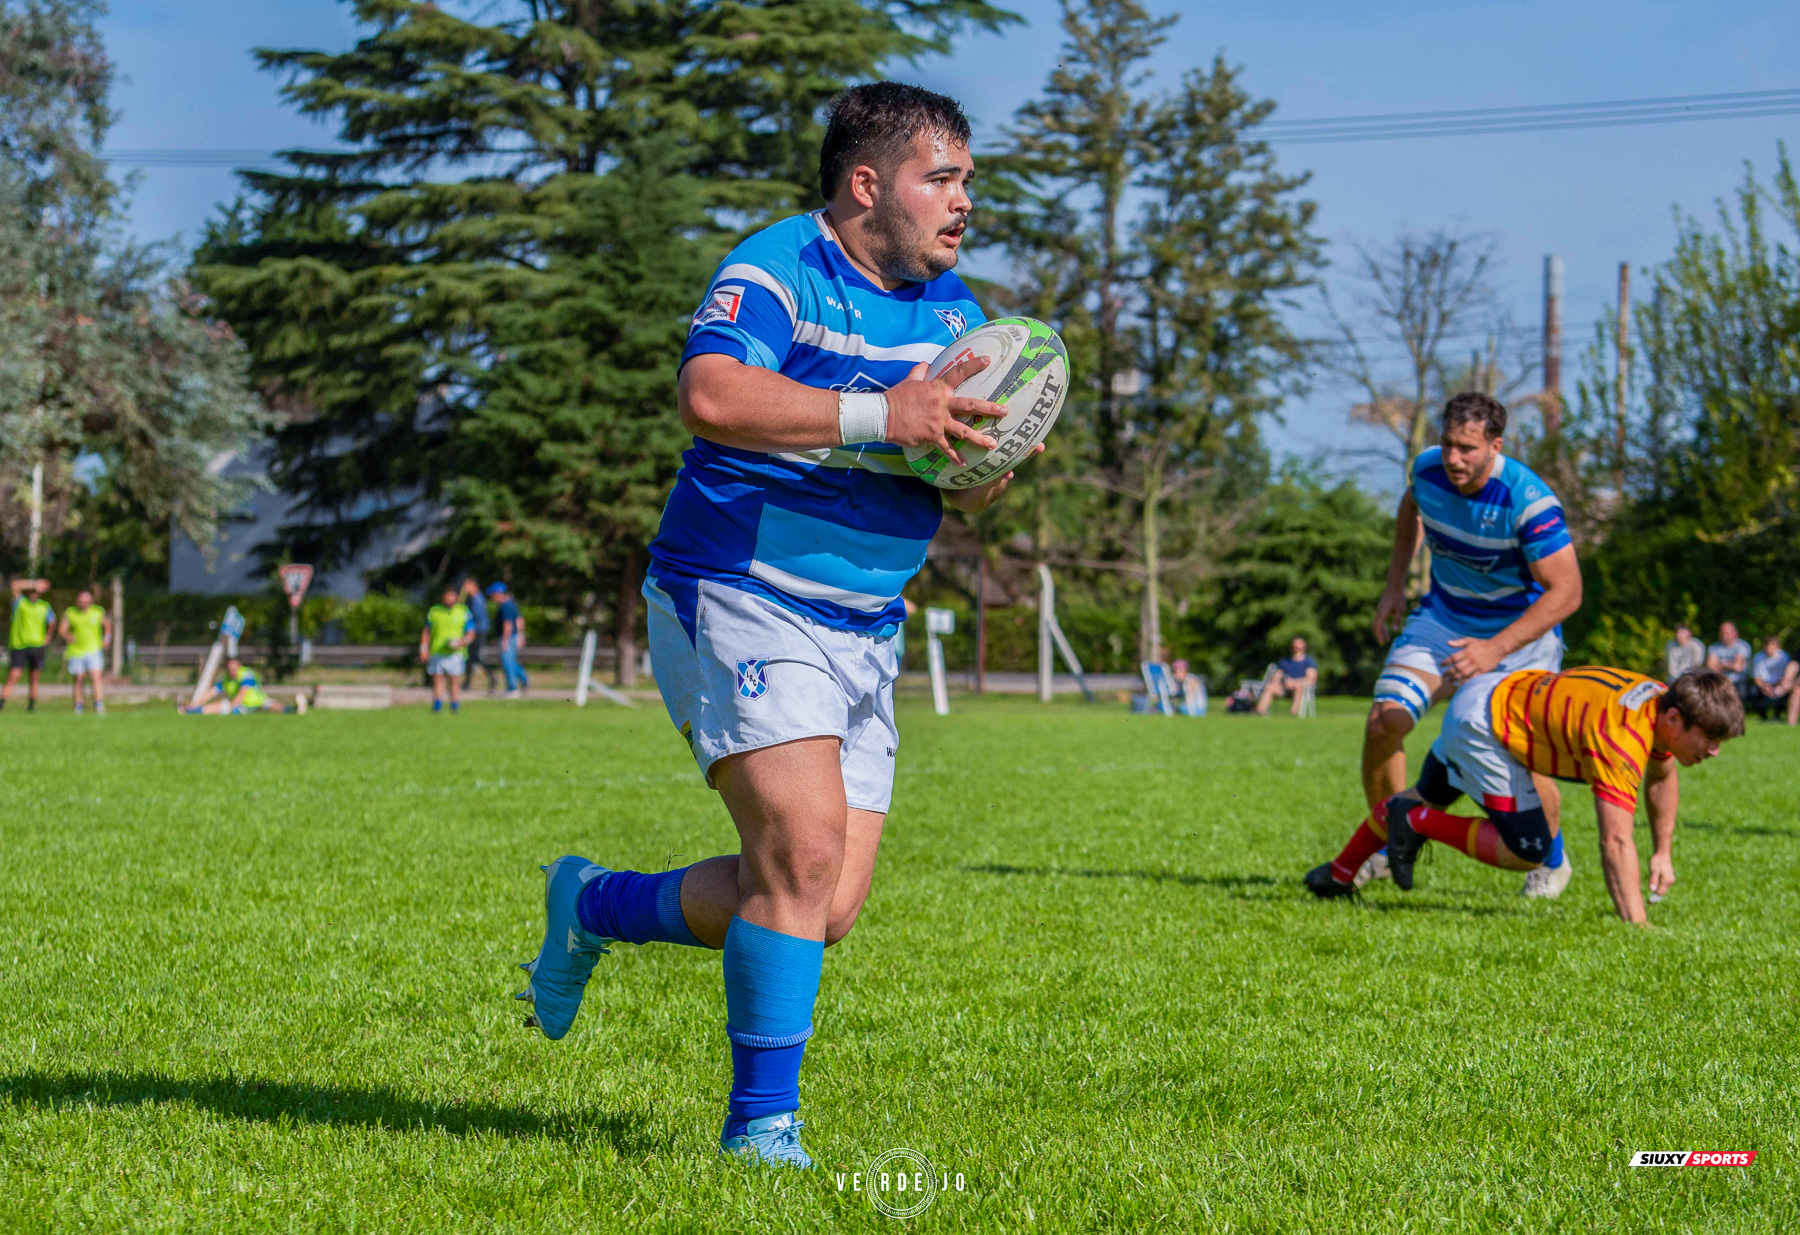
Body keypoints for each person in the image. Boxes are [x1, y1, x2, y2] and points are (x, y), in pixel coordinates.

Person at [514, 83, 1032, 1169]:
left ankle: (594, 902)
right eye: (943, 178)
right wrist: (881, 413)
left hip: (865, 626)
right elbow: (709, 394)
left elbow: (960, 479)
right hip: (740, 590)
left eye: (968, 181)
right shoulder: (778, 266)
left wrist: (985, 455)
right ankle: (761, 1131)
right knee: (799, 855)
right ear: (866, 185)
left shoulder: (957, 316)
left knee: (823, 900)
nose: (963, 201)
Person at [1308, 392, 1582, 898]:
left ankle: (1552, 859)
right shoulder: (1427, 470)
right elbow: (1411, 506)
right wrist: (1394, 585)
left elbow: (1568, 591)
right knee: (1383, 723)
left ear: (1495, 446)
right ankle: (1395, 844)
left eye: (1467, 449)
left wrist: (1495, 649)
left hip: (1520, 638)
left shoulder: (1527, 500)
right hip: (1445, 616)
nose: (1453, 458)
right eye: (1447, 444)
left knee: (1518, 752)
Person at [1311, 668, 1742, 924]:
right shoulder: (1623, 737)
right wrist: (1637, 924)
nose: (1714, 751)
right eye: (1709, 738)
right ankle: (1415, 823)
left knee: (1426, 793)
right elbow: (1615, 840)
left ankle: (1337, 874)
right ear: (1673, 718)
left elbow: (1662, 772)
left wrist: (1662, 852)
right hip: (1489, 729)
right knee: (1529, 850)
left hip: (1493, 697)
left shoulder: (1654, 696)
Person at [3, 578, 55, 712]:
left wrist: (48, 636)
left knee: (34, 677)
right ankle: (2, 704)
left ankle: (31, 707)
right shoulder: (20, 603)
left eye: (36, 592)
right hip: (19, 645)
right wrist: (34, 583)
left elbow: (52, 622)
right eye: (31, 591)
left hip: (37, 646)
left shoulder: (44, 606)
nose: (33, 593)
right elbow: (14, 584)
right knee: (14, 676)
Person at [58, 588, 112, 715]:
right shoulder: (70, 612)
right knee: (79, 678)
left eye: (86, 600)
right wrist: (67, 636)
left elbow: (108, 626)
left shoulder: (98, 611)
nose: (83, 603)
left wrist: (107, 638)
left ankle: (99, 705)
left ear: (91, 600)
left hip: (94, 649)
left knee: (96, 677)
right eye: (81, 601)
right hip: (76, 651)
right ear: (77, 600)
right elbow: (62, 629)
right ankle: (78, 706)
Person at [420, 586, 472, 713]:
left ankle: (454, 705)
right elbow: (427, 631)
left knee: (454, 680)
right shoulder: (434, 611)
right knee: (437, 679)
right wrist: (423, 648)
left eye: (451, 595)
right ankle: (437, 705)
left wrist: (463, 642)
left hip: (456, 653)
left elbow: (471, 632)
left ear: (456, 597)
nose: (449, 598)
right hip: (437, 651)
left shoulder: (463, 611)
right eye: (446, 596)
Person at [1253, 637, 1318, 716]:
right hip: (1285, 688)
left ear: (1304, 647)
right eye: (1295, 645)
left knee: (1299, 686)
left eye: (1299, 646)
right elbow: (1277, 676)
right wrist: (1282, 682)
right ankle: (1260, 711)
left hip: (1301, 688)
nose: (1296, 648)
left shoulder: (1308, 661)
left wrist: (1294, 682)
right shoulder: (1285, 662)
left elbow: (1311, 678)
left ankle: (1293, 712)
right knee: (1271, 686)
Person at [1747, 633, 1799, 724]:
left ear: (1778, 646)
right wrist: (1764, 686)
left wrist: (1779, 686)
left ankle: (1777, 715)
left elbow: (1785, 676)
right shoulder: (1758, 657)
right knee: (1752, 691)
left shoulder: (1784, 657)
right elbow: (1756, 678)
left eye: (1772, 645)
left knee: (1787, 692)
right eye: (1767, 645)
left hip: (1779, 684)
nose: (1769, 648)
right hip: (1764, 684)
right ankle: (1763, 716)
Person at [489, 582, 529, 696]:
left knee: (507, 663)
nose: (492, 597)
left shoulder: (504, 606)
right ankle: (524, 679)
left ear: (498, 594)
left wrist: (504, 640)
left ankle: (512, 688)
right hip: (514, 636)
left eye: (492, 594)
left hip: (508, 637)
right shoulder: (511, 603)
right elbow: (520, 620)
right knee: (511, 661)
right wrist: (520, 635)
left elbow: (508, 624)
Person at [460, 577, 497, 693]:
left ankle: (491, 678)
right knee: (470, 657)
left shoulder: (477, 599)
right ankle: (467, 683)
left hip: (477, 631)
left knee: (475, 657)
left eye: (467, 586)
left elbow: (477, 617)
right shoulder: (471, 598)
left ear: (474, 586)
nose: (465, 589)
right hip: (474, 630)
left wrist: (472, 632)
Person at [1706, 622, 1751, 697]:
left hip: (1738, 681)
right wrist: (1730, 665)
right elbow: (1710, 666)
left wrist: (1720, 664)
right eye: (1722, 632)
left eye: (1727, 633)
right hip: (1719, 679)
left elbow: (1738, 667)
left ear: (1735, 634)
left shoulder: (1742, 646)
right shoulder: (1714, 647)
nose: (1724, 635)